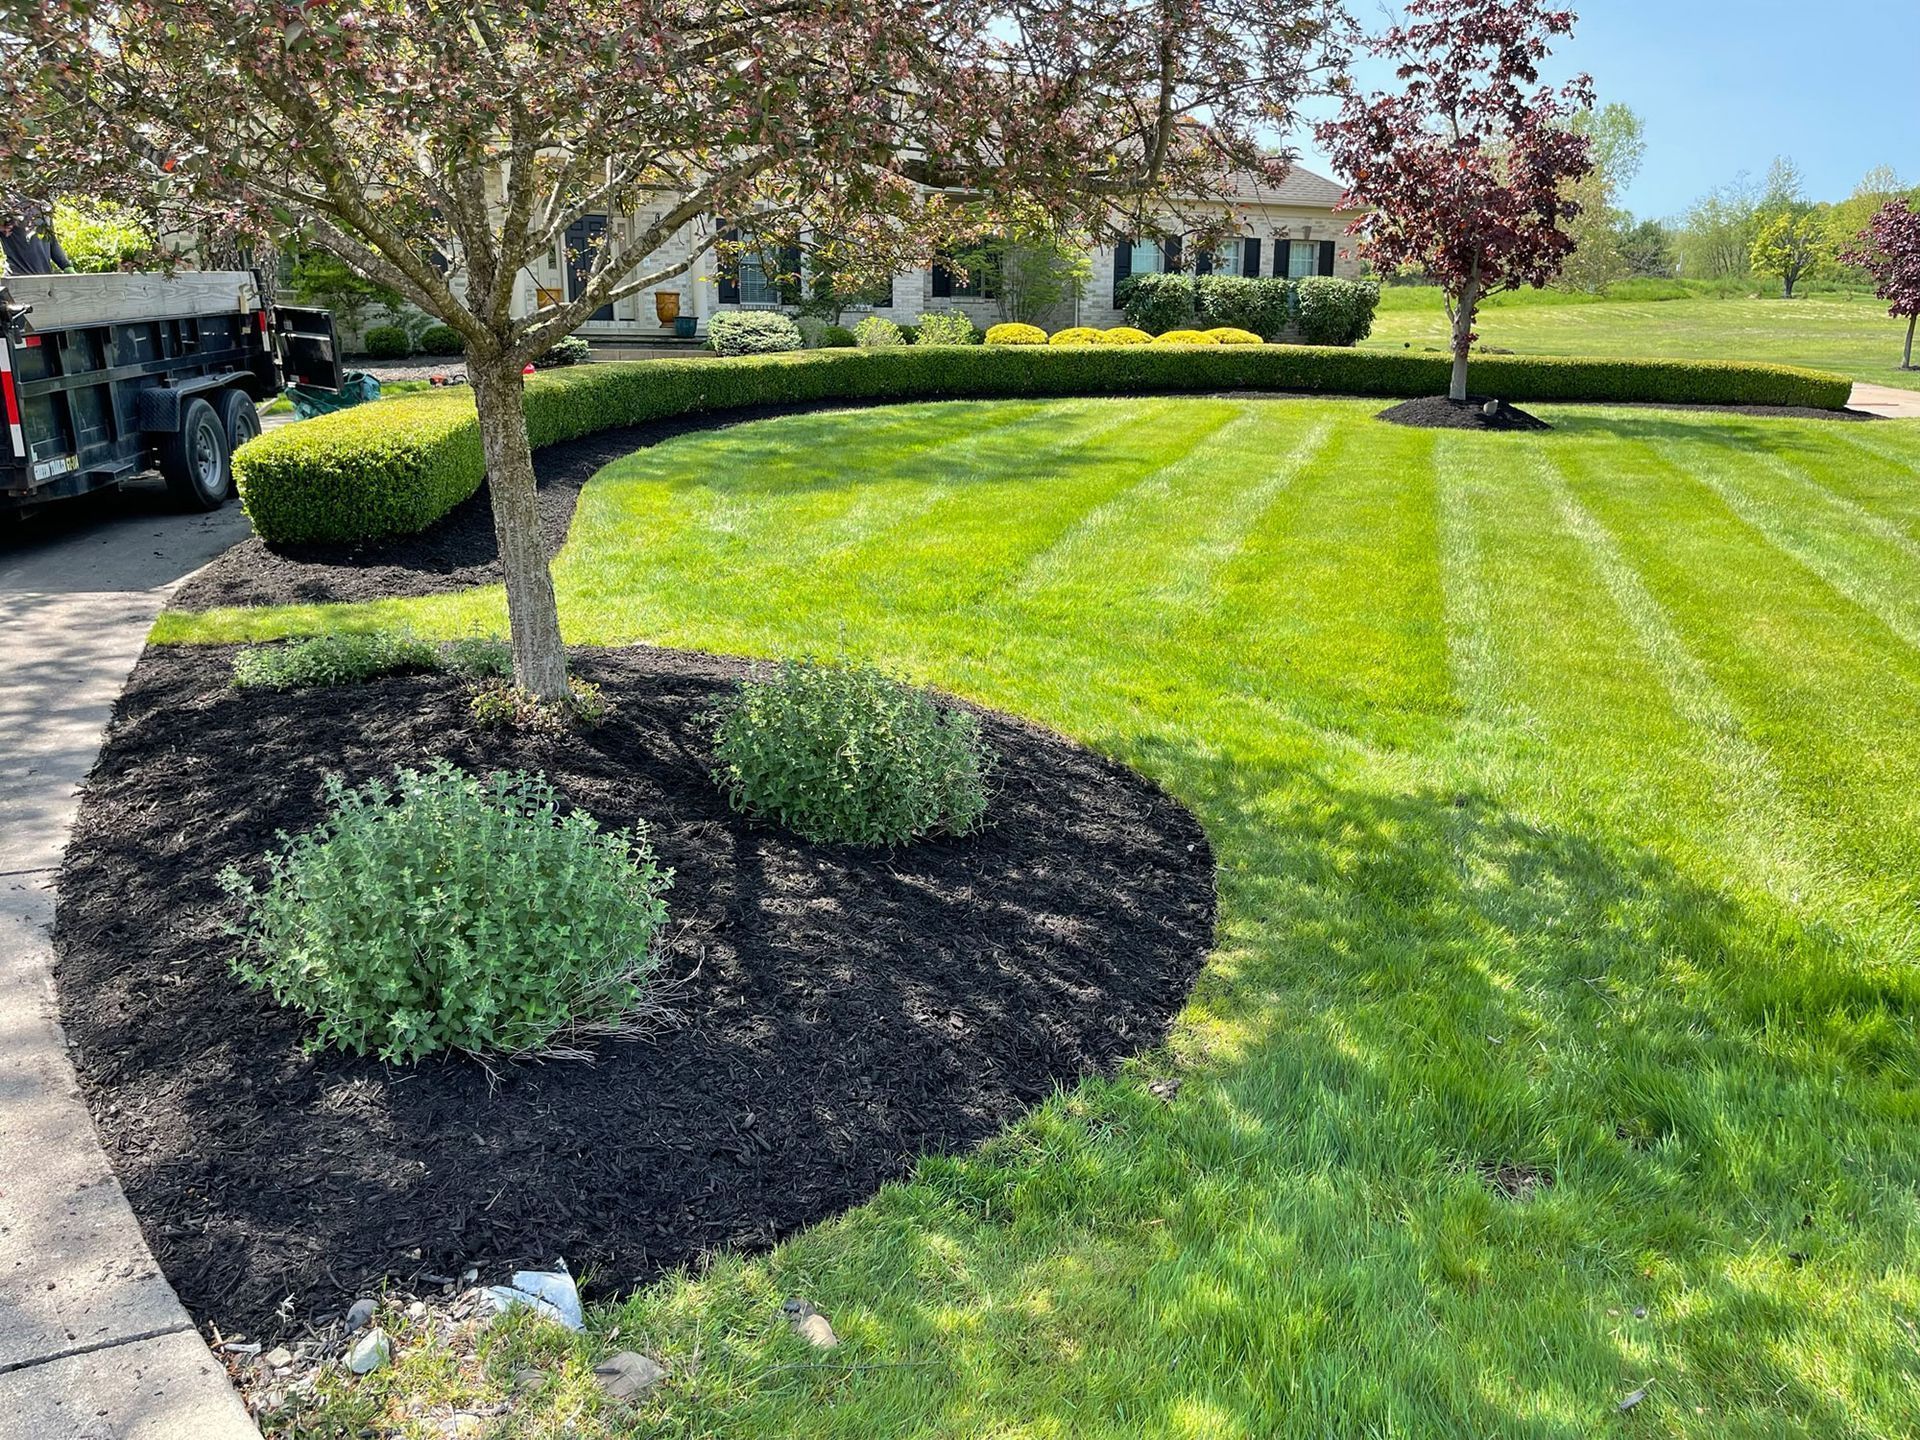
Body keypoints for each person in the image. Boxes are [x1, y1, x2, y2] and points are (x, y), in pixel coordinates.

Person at [0, 202, 74, 276]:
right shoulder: (7, 204)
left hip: (44, 278)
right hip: (16, 278)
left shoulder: (44, 208)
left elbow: (51, 240)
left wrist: (66, 265)